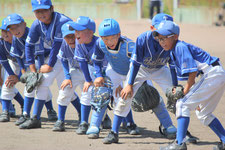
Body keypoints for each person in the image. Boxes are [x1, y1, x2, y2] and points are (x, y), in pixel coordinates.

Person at [100, 14, 177, 144]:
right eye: (160, 31)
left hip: (160, 69)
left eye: (167, 32)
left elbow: (173, 65)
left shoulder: (174, 42)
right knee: (125, 96)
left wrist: (174, 86)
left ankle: (179, 130)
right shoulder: (143, 39)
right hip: (142, 69)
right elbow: (135, 63)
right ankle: (114, 132)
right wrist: (129, 84)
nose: (163, 35)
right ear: (152, 28)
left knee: (177, 96)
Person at [154, 20, 225, 150]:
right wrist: (194, 96)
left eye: (164, 38)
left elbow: (192, 73)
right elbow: (194, 75)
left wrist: (185, 93)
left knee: (182, 104)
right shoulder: (173, 50)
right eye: (159, 39)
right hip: (215, 75)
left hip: (212, 74)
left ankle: (179, 143)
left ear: (175, 36)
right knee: (203, 113)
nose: (161, 41)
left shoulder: (180, 47)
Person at [19, 0, 79, 129]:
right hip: (59, 56)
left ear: (51, 8)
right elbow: (29, 45)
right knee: (65, 88)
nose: (41, 14)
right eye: (37, 11)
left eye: (44, 10)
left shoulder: (61, 21)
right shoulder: (36, 24)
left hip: (73, 55)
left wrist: (50, 66)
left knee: (44, 81)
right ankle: (81, 114)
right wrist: (32, 69)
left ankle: (35, 118)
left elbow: (57, 47)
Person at [5, 13, 58, 126]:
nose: (15, 30)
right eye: (12, 28)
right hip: (31, 63)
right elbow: (18, 56)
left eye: (17, 26)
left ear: (24, 24)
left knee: (39, 85)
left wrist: (36, 73)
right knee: (32, 86)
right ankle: (28, 114)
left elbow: (40, 54)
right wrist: (24, 71)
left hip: (45, 60)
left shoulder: (33, 33)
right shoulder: (15, 38)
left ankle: (44, 111)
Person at [69, 16, 111, 135]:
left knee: (114, 96)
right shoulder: (79, 43)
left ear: (91, 32)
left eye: (79, 31)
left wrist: (103, 77)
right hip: (92, 70)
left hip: (107, 70)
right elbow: (82, 62)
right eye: (75, 31)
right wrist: (88, 80)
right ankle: (83, 122)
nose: (76, 34)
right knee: (87, 93)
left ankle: (129, 123)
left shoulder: (100, 42)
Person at [52, 21, 83, 132]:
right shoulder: (65, 44)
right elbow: (63, 60)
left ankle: (104, 118)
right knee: (65, 89)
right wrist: (67, 77)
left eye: (72, 36)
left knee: (95, 96)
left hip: (90, 71)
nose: (70, 39)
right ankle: (60, 121)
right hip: (75, 70)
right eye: (67, 37)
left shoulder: (83, 42)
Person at [0, 17, 25, 122]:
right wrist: (12, 75)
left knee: (35, 86)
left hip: (27, 64)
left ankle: (50, 109)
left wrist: (19, 77)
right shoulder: (2, 43)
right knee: (8, 82)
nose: (5, 33)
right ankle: (6, 110)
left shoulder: (22, 40)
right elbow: (3, 61)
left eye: (8, 30)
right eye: (3, 30)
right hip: (12, 63)